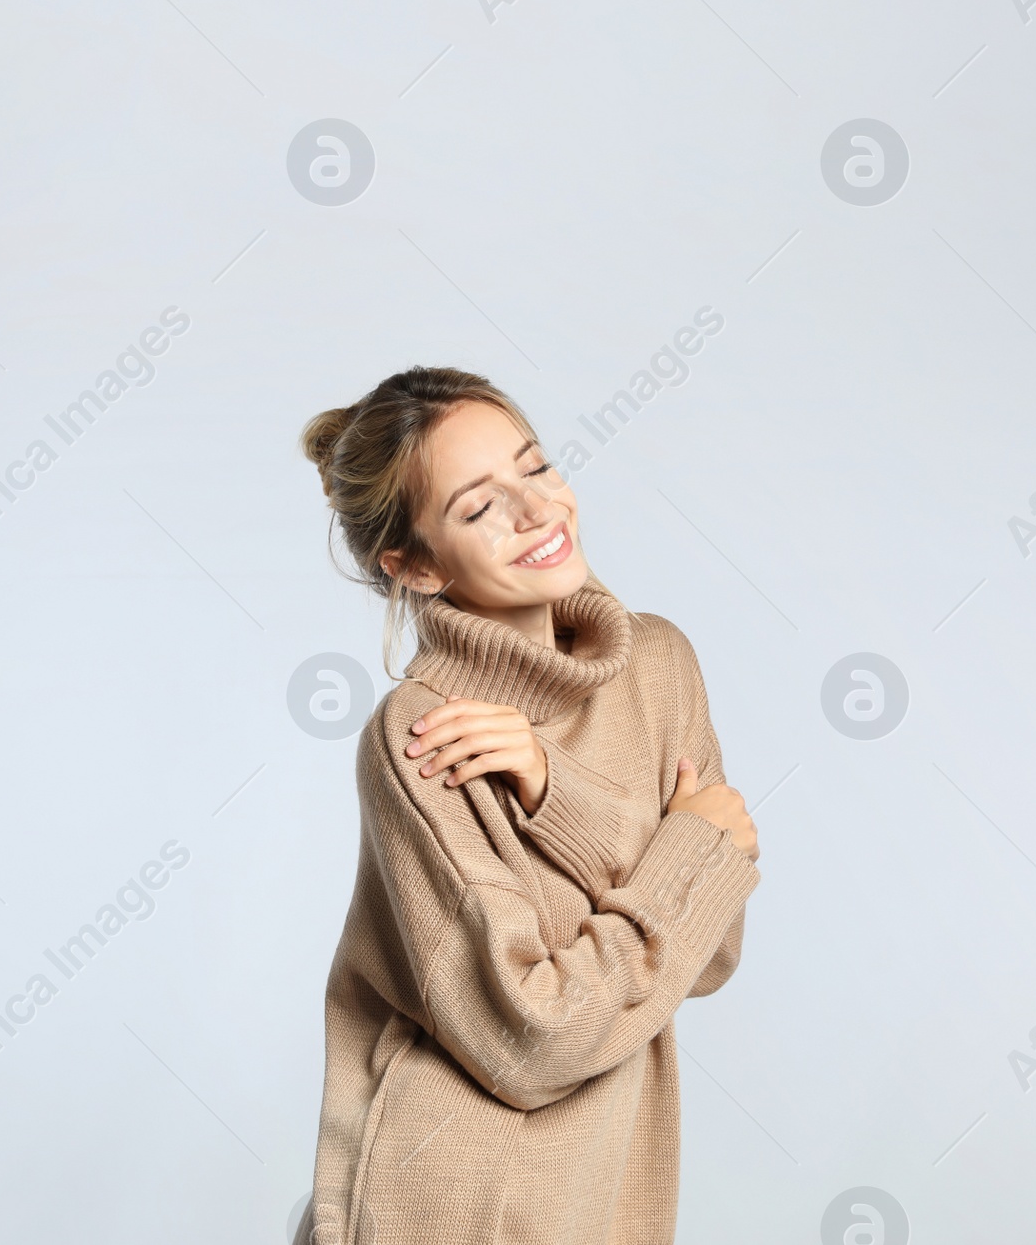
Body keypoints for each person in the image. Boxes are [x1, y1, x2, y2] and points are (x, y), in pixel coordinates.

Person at [293, 365, 760, 1245]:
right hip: (440, 1204)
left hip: (599, 1199)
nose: (536, 511)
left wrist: (557, 789)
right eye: (477, 507)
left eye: (536, 468)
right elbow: (531, 1039)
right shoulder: (423, 734)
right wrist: (694, 851)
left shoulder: (658, 666)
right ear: (415, 566)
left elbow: (710, 953)